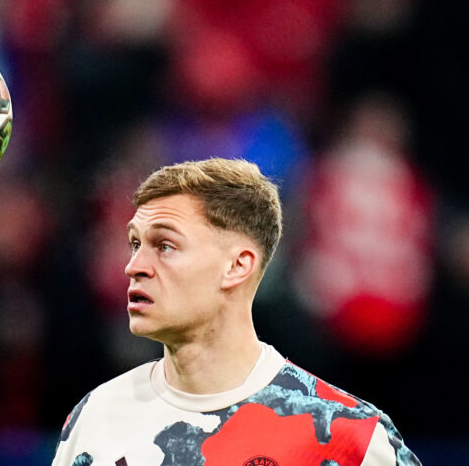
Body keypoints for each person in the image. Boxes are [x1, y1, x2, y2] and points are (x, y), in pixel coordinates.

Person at [52, 158, 420, 466]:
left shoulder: (346, 435)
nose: (134, 265)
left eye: (164, 245)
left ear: (237, 266)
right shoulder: (97, 417)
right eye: (135, 243)